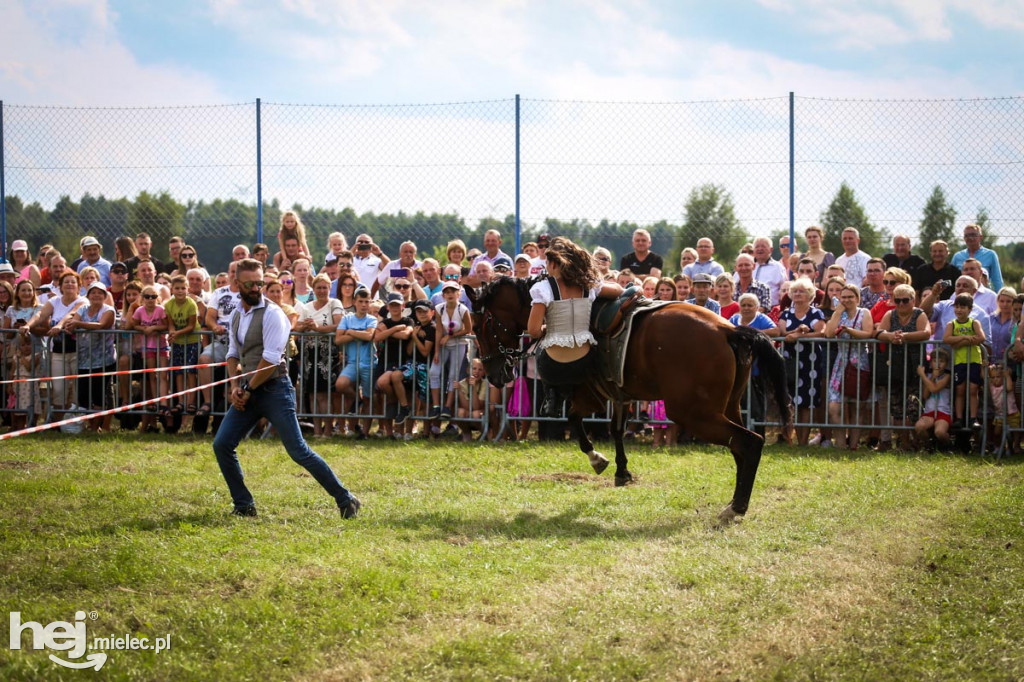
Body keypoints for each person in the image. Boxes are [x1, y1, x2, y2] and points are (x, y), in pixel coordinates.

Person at [213, 259, 359, 519]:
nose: (257, 288)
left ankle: (345, 498)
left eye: (261, 283)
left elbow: (270, 360)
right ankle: (244, 504)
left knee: (298, 451)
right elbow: (233, 353)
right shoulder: (236, 313)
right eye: (251, 284)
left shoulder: (273, 314)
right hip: (248, 388)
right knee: (222, 444)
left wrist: (245, 387)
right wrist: (235, 385)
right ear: (237, 284)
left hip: (275, 390)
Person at [529, 237, 623, 418]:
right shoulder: (589, 285)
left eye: (548, 263)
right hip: (584, 360)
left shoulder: (543, 288)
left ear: (555, 265)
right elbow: (618, 290)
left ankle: (551, 396)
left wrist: (547, 329)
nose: (546, 267)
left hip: (554, 364)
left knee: (541, 348)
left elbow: (533, 331)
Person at [875, 284, 930, 450]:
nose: (900, 304)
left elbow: (926, 333)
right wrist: (890, 336)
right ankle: (904, 443)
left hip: (915, 366)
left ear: (913, 300)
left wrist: (904, 336)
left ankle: (918, 442)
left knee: (914, 406)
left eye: (905, 300)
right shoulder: (890, 314)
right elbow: (878, 333)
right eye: (897, 300)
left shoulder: (919, 314)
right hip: (895, 366)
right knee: (897, 408)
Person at [825, 282, 875, 450]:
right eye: (843, 297)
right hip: (840, 363)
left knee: (857, 407)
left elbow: (868, 333)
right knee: (834, 407)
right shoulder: (839, 313)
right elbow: (828, 333)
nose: (846, 300)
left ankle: (853, 445)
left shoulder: (864, 313)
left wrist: (849, 331)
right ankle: (840, 444)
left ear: (857, 298)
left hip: (859, 363)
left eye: (850, 297)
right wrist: (837, 313)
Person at [29, 270, 86, 413]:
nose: (69, 284)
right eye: (66, 282)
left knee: (79, 387)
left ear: (79, 286)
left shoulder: (83, 301)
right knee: (59, 388)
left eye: (73, 282)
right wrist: (28, 325)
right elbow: (41, 314)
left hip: (79, 352)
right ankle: (58, 420)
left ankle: (76, 421)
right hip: (58, 352)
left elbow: (72, 313)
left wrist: (59, 325)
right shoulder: (54, 301)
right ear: (60, 286)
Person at [777, 277, 826, 445]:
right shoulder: (786, 313)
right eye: (795, 291)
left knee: (806, 402)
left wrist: (798, 335)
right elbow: (783, 332)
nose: (797, 294)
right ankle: (793, 438)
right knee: (792, 401)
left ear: (810, 294)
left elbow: (821, 333)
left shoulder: (816, 313)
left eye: (802, 291)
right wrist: (797, 331)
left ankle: (803, 442)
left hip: (811, 361)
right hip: (790, 360)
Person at [297, 274, 344, 438]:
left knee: (324, 393)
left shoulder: (335, 303)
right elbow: (297, 327)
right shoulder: (306, 306)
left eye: (325, 287)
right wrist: (305, 325)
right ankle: (317, 431)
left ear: (330, 289)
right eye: (319, 287)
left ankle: (328, 430)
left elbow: (338, 324)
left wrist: (317, 329)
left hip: (327, 354)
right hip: (308, 354)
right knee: (312, 393)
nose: (322, 291)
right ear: (313, 289)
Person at [66, 282, 117, 431]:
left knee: (99, 394)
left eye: (100, 292)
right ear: (87, 296)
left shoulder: (109, 310)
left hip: (104, 360)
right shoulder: (82, 309)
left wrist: (77, 323)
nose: (96, 295)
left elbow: (101, 325)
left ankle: (96, 427)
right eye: (93, 292)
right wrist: (73, 324)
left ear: (105, 296)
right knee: (83, 395)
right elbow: (73, 324)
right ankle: (88, 425)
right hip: (83, 360)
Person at [729, 293, 779, 436]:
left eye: (750, 305)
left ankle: (759, 433)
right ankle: (741, 433)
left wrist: (751, 333)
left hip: (758, 369)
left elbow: (776, 331)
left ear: (756, 307)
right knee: (739, 402)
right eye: (743, 305)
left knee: (757, 404)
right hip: (738, 368)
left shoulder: (762, 319)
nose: (746, 308)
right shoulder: (734, 319)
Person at [335, 287, 378, 438]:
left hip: (369, 363)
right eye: (361, 301)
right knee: (341, 384)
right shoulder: (347, 318)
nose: (364, 305)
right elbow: (338, 339)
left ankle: (364, 432)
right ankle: (355, 398)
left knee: (368, 398)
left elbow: (369, 336)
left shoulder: (372, 319)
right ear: (355, 302)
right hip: (352, 362)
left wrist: (351, 332)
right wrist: (359, 333)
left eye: (367, 301)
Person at [943, 293, 986, 430]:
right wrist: (966, 338)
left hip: (974, 360)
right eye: (957, 307)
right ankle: (959, 418)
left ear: (970, 309)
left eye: (963, 307)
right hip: (959, 361)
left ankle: (973, 418)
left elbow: (981, 337)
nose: (959, 310)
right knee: (960, 389)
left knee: (973, 389)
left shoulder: (974, 323)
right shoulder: (952, 324)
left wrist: (958, 341)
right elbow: (947, 339)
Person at [432, 280, 473, 419]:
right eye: (447, 292)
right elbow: (438, 330)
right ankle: (436, 406)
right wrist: (436, 351)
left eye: (453, 292)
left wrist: (449, 336)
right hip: (444, 345)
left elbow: (468, 329)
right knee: (434, 372)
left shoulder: (463, 309)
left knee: (453, 376)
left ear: (458, 294)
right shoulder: (439, 308)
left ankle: (447, 407)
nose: (450, 294)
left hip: (459, 344)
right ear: (443, 295)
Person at [165, 275, 201, 417]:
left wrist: (176, 333)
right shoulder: (168, 304)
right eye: (177, 288)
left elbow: (191, 326)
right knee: (178, 371)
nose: (180, 291)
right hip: (178, 342)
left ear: (188, 289)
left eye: (183, 288)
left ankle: (191, 401)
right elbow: (170, 323)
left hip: (192, 340)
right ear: (172, 289)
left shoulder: (191, 304)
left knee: (190, 371)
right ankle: (181, 401)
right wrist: (172, 333)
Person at [914, 348, 953, 450]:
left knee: (939, 432)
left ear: (946, 364)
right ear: (931, 362)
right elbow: (925, 395)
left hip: (943, 412)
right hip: (929, 411)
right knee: (919, 427)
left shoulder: (947, 376)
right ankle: (929, 445)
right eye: (935, 361)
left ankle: (948, 446)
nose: (938, 364)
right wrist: (931, 378)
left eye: (942, 361)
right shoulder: (929, 376)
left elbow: (935, 389)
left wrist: (922, 375)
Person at [951, 223, 1003, 291]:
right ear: (964, 238)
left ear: (980, 237)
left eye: (973, 235)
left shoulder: (990, 255)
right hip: (962, 295)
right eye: (967, 235)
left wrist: (998, 299)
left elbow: (997, 280)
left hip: (983, 295)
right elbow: (951, 279)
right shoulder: (957, 256)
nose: (970, 238)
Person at [988, 364, 1020, 454]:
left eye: (998, 377)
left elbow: (1010, 388)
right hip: (1000, 414)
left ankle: (1015, 446)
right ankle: (998, 447)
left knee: (1015, 431)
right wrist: (985, 368)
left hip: (1012, 413)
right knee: (997, 432)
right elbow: (985, 377)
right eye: (993, 377)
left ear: (1003, 377)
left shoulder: (1006, 385)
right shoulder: (992, 387)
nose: (995, 379)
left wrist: (1007, 376)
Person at [751, 236, 787, 306]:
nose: (760, 249)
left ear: (771, 250)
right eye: (757, 247)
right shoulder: (747, 266)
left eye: (763, 246)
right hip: (748, 308)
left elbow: (784, 289)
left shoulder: (778, 267)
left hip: (771, 309)